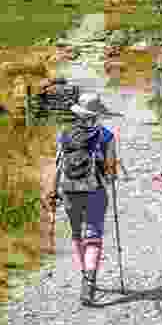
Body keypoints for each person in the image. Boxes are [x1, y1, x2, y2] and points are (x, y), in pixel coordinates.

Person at [53, 92, 120, 305]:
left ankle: (84, 273)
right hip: (95, 190)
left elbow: (57, 164)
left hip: (69, 189)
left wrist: (53, 190)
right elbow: (110, 172)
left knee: (76, 234)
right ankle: (89, 283)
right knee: (94, 234)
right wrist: (111, 176)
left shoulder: (64, 134)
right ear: (97, 114)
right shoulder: (106, 136)